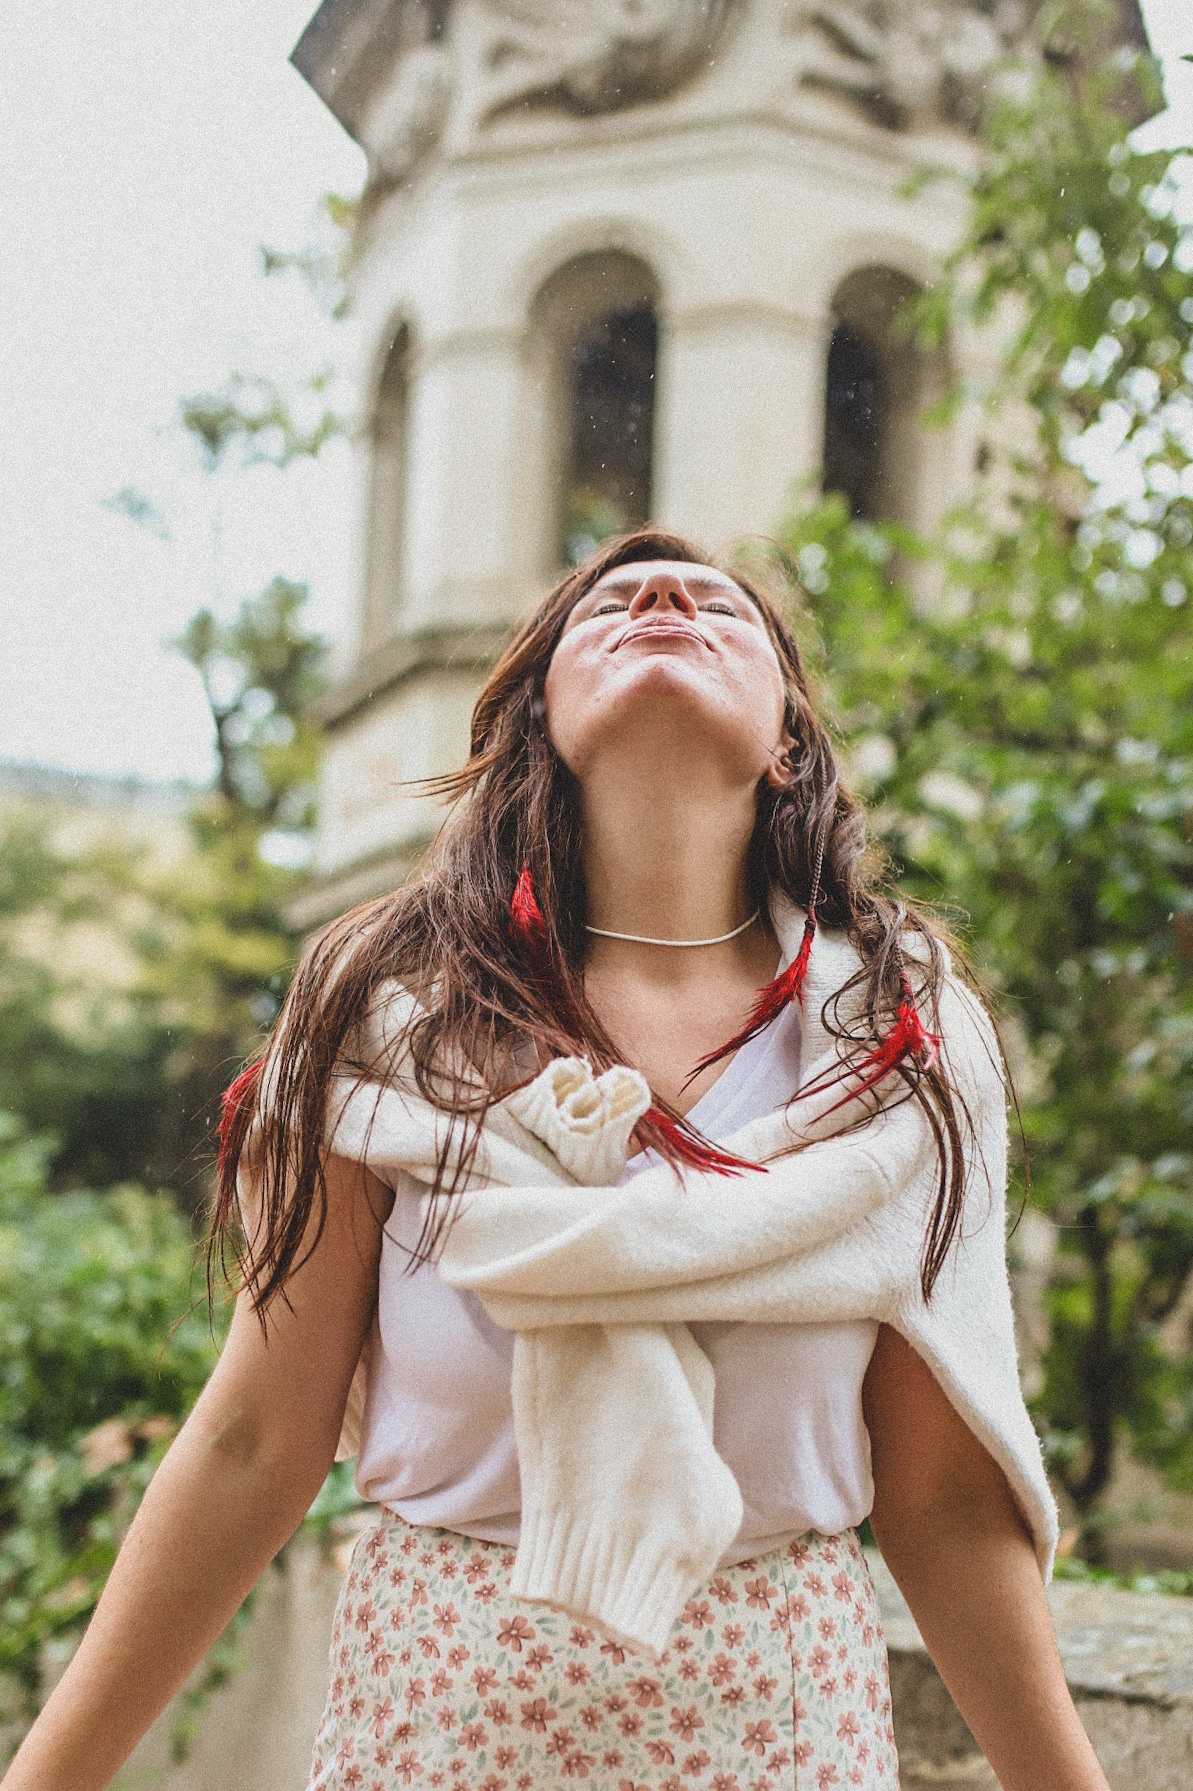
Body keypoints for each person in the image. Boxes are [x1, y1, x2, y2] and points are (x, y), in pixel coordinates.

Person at [3, 530, 1112, 1791]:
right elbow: (258, 1439)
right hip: (431, 1720)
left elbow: (946, 1503)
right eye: (610, 605)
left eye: (716, 607)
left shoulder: (895, 1044)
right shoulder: (387, 1014)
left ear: (787, 742)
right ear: (542, 718)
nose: (660, 600)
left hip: (780, 1733)